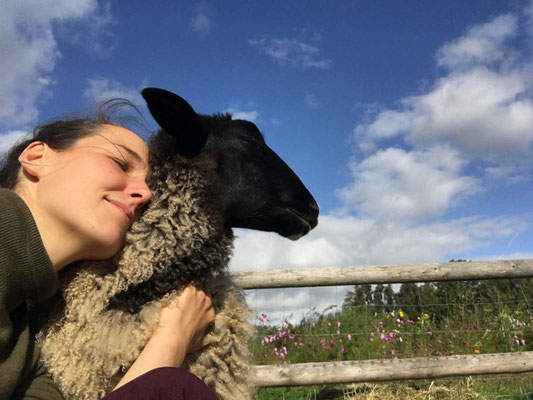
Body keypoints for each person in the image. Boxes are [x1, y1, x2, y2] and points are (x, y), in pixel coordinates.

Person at [0, 107, 219, 399]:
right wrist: (173, 342)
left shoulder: (31, 340)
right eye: (120, 163)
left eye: (149, 184)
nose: (146, 193)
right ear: (37, 158)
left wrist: (168, 336)